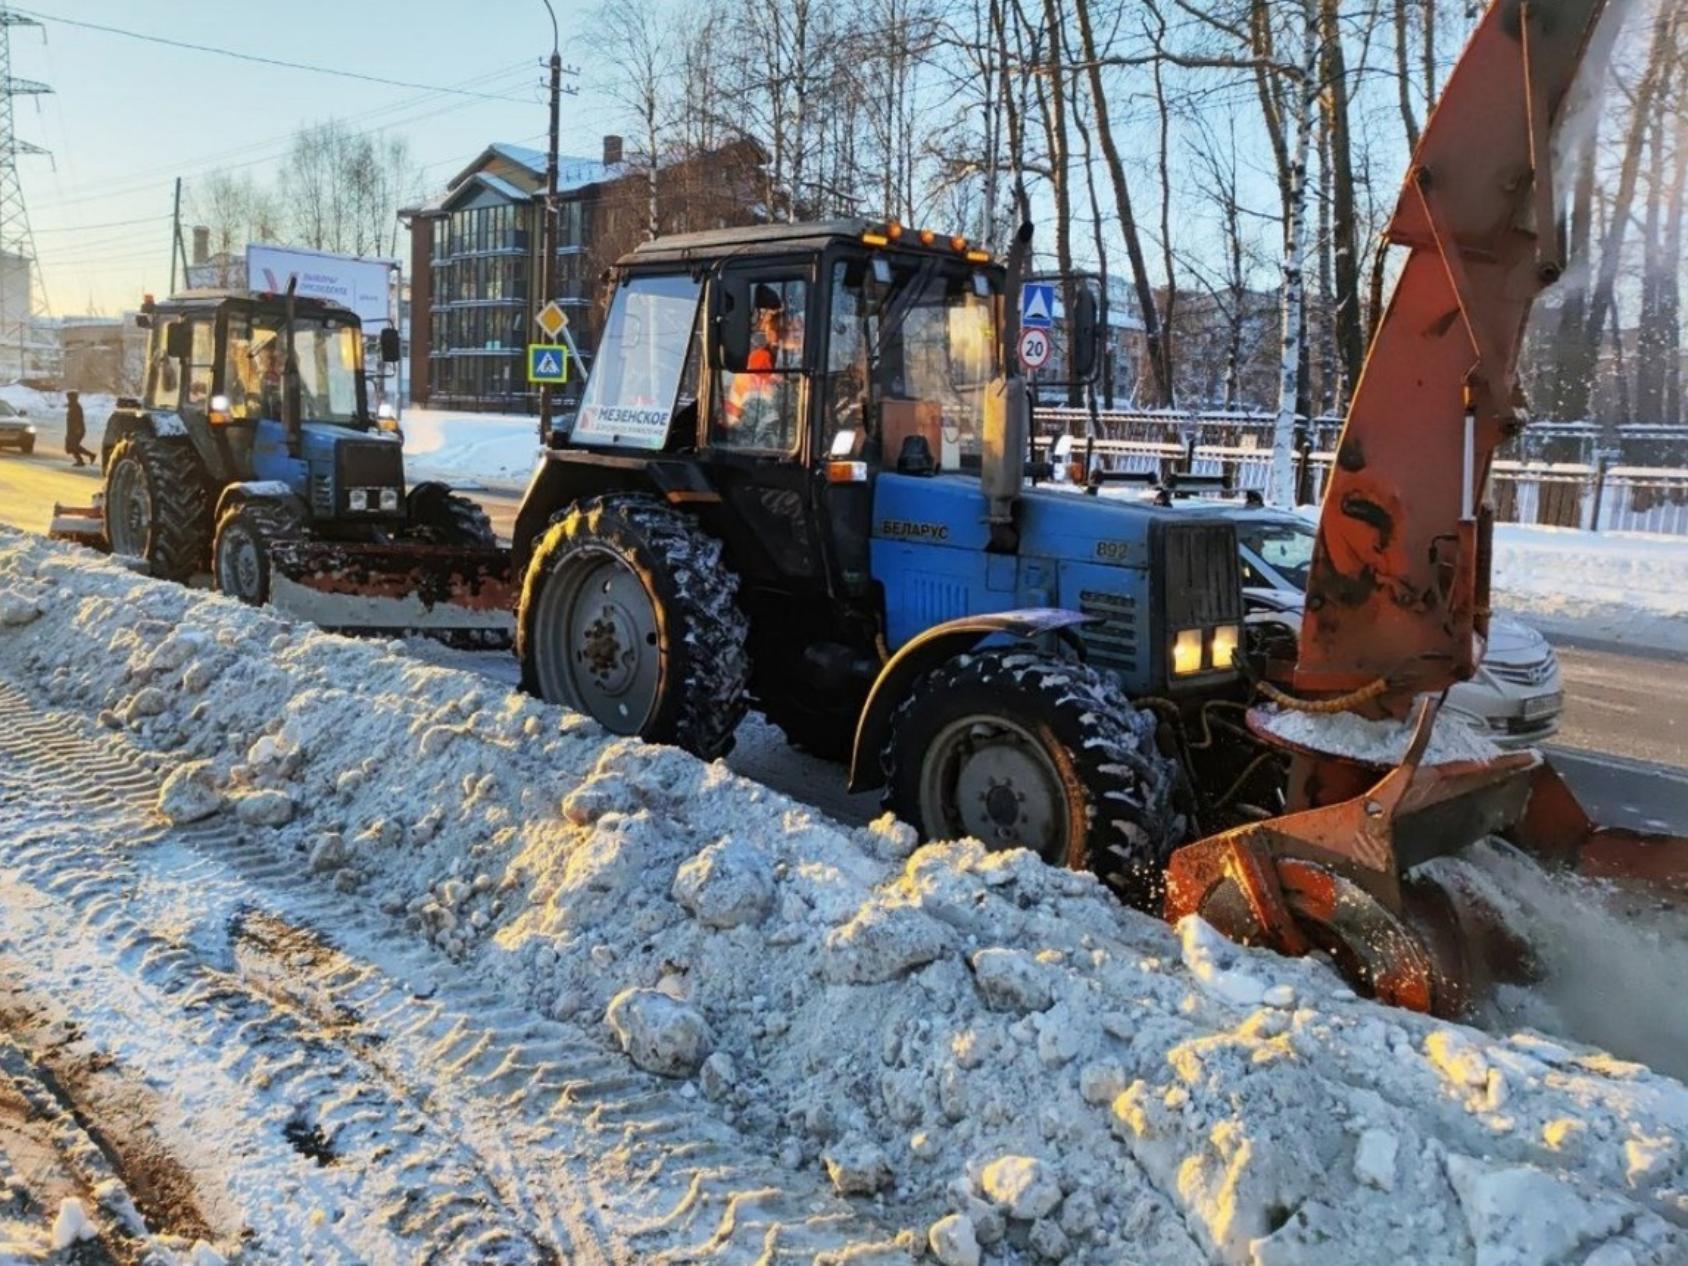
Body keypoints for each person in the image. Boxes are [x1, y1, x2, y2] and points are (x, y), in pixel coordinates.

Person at [63, 391, 94, 467]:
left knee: (73, 446)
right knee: (71, 446)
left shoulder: (77, 407)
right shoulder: (73, 405)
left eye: (69, 397)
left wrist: (78, 429)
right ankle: (85, 458)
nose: (68, 399)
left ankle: (83, 459)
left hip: (77, 430)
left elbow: (78, 419)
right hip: (71, 430)